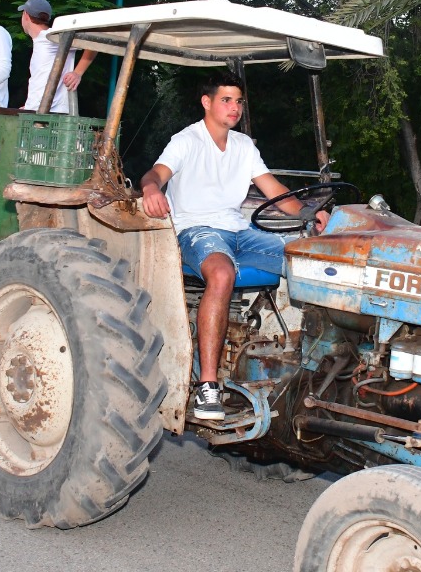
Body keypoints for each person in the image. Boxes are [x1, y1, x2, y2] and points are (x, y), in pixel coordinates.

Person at [140, 71, 328, 421]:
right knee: (222, 273)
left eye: (238, 101)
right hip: (197, 230)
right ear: (207, 102)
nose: (235, 107)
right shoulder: (186, 140)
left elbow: (274, 191)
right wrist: (151, 190)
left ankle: (317, 362)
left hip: (239, 231)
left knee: (306, 260)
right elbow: (155, 175)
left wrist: (309, 214)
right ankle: (207, 388)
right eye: (226, 100)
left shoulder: (243, 146)